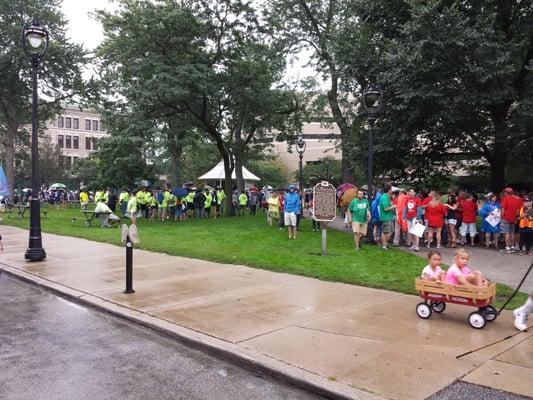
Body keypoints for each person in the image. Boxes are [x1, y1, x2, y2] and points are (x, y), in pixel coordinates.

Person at [500, 187, 524, 253]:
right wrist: (516, 217)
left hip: (506, 218)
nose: (504, 193)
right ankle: (513, 246)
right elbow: (518, 210)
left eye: (504, 192)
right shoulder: (516, 199)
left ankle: (507, 247)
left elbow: (503, 209)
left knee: (507, 233)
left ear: (506, 192)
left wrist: (501, 216)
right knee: (512, 232)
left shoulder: (505, 198)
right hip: (513, 218)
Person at [378, 184, 396, 250]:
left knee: (388, 231)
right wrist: (393, 206)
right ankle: (384, 244)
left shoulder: (386, 197)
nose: (392, 190)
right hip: (386, 217)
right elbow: (385, 209)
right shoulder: (385, 197)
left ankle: (384, 244)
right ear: (388, 190)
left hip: (388, 217)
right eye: (391, 189)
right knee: (387, 232)